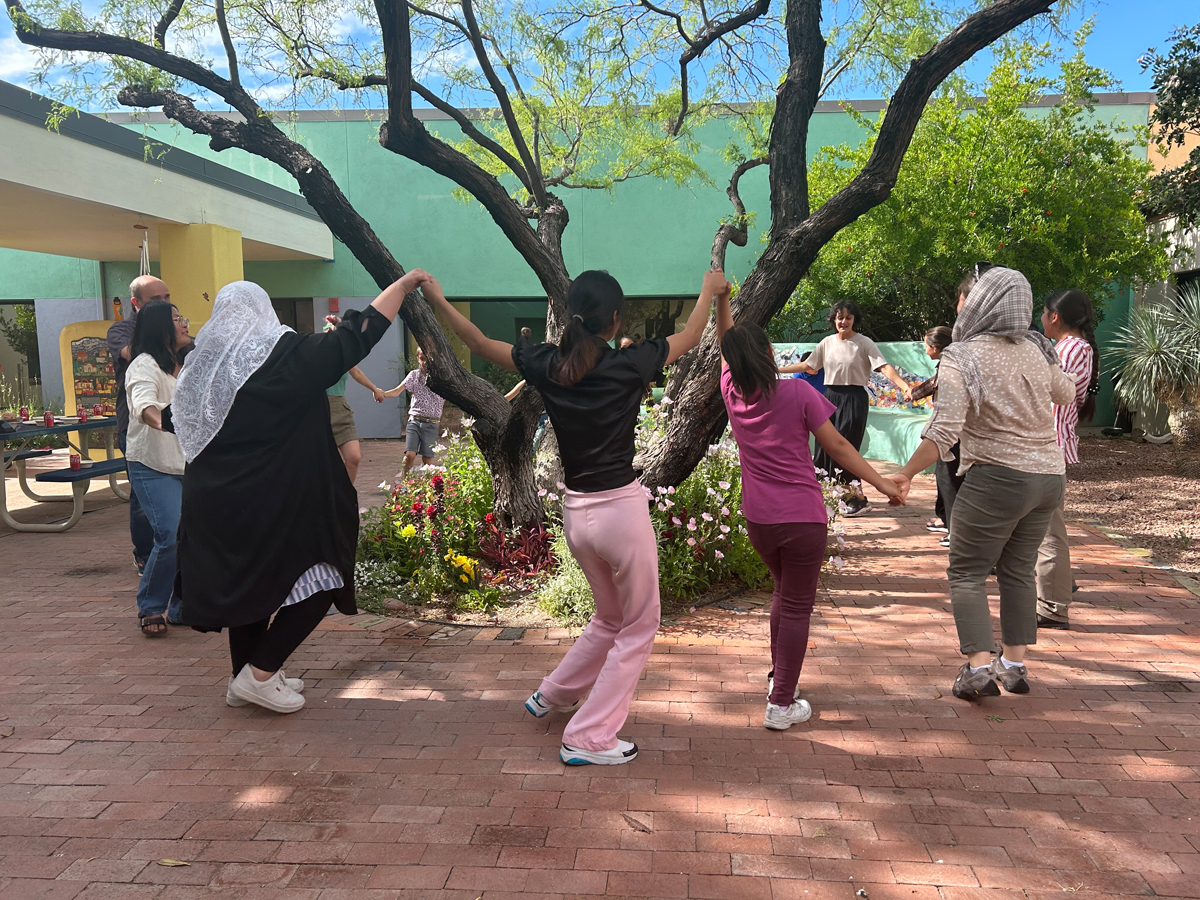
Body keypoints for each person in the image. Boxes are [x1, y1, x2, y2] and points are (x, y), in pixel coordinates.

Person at [426, 268, 725, 765]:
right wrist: (709, 291)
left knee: (611, 616)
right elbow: (693, 336)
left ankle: (556, 693)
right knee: (640, 623)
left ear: (572, 316)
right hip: (619, 515)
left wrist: (437, 296)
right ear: (615, 319)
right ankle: (588, 737)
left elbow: (475, 340)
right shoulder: (630, 363)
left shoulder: (546, 363)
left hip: (576, 515)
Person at [171, 270, 431, 713]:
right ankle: (261, 673)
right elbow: (354, 337)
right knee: (325, 577)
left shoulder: (201, 370)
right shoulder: (282, 355)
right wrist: (402, 288)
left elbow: (166, 417)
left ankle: (246, 677)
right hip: (277, 500)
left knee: (247, 589)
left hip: (214, 504)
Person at [715, 291, 905, 730]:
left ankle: (780, 681)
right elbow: (837, 445)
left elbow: (728, 345)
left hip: (760, 520)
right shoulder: (797, 393)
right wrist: (882, 485)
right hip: (802, 519)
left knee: (783, 595)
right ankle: (781, 703)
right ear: (768, 354)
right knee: (797, 604)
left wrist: (720, 299)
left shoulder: (731, 393)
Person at [888, 265, 1076, 701]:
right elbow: (1065, 393)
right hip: (1048, 477)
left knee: (967, 573)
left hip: (998, 477)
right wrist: (1048, 360)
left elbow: (944, 427)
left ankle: (977, 670)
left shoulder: (962, 354)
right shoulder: (1035, 346)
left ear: (979, 304)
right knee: (1017, 571)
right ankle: (1013, 665)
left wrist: (904, 473)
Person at [779, 300, 913, 517]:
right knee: (825, 447)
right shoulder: (826, 343)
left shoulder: (864, 343)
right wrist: (775, 369)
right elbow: (809, 367)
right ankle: (832, 495)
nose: (843, 321)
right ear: (834, 320)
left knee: (846, 446)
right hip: (829, 397)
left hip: (853, 398)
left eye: (848, 318)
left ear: (854, 320)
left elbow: (884, 367)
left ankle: (858, 498)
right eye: (839, 317)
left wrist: (905, 386)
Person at [124, 300, 191, 635]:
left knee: (192, 537)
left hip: (189, 465)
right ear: (160, 328)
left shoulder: (187, 362)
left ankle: (181, 607)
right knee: (170, 533)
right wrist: (164, 420)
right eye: (177, 319)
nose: (184, 323)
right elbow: (143, 405)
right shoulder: (144, 366)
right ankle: (151, 606)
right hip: (151, 463)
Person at [1036, 289, 1098, 630]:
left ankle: (1054, 604)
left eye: (1043, 313)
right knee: (1041, 529)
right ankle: (1057, 587)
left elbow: (1055, 394)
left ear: (1054, 316)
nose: (1041, 318)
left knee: (1048, 531)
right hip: (1046, 447)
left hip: (1048, 447)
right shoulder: (1070, 348)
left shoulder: (1071, 349)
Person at [107, 275, 169, 574]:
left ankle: (171, 552)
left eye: (166, 298)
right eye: (156, 300)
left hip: (172, 429)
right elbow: (130, 353)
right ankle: (145, 554)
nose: (164, 304)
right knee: (143, 496)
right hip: (135, 427)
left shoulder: (176, 330)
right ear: (136, 303)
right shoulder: (122, 330)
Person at [322, 316, 391, 484]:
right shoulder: (318, 355)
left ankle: (344, 497)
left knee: (354, 457)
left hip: (341, 409)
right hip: (320, 410)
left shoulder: (345, 357)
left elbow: (357, 373)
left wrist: (375, 389)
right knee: (322, 463)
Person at [911, 326, 956, 543]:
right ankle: (945, 519)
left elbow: (929, 387)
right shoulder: (947, 363)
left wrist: (912, 393)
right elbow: (927, 387)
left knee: (950, 478)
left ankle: (956, 531)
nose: (925, 349)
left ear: (935, 348)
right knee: (943, 476)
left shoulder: (950, 365)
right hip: (949, 431)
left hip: (951, 433)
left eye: (926, 345)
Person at [383, 347, 446, 472]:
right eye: (422, 359)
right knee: (409, 455)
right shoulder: (414, 375)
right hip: (415, 421)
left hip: (432, 423)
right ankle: (405, 482)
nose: (425, 362)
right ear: (418, 358)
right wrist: (382, 393)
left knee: (428, 459)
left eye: (428, 359)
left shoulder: (441, 377)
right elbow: (397, 391)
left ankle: (426, 486)